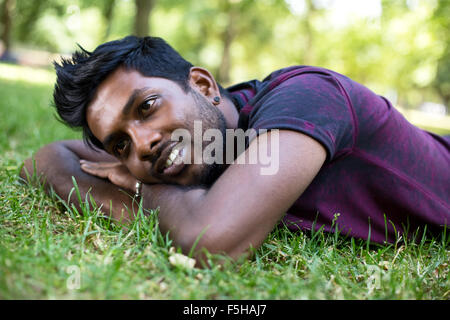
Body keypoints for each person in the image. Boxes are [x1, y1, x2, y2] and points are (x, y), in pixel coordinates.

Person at [20, 36, 449, 265]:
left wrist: (139, 186)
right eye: (120, 145)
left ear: (203, 85)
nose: (143, 144)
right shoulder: (206, 136)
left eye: (147, 107)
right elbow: (47, 158)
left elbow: (211, 243)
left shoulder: (307, 98)